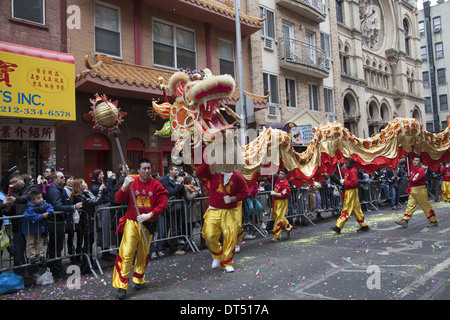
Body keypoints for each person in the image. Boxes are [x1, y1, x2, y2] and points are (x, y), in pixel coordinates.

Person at [113, 158, 169, 300]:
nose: (146, 171)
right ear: (138, 170)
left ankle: (139, 279)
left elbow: (163, 203)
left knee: (143, 254)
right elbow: (118, 199)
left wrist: (150, 214)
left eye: (148, 168)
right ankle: (122, 285)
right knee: (127, 253)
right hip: (132, 222)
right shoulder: (131, 181)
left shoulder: (156, 185)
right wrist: (124, 186)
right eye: (143, 168)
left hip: (147, 224)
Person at [197, 162, 249, 273]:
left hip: (230, 212)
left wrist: (233, 199)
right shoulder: (214, 172)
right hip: (214, 209)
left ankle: (227, 262)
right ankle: (217, 254)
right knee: (209, 235)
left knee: (230, 237)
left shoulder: (237, 176)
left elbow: (245, 193)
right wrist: (208, 160)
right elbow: (199, 173)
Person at [46, 171, 83, 279]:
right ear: (54, 180)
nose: (64, 179)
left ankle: (54, 267)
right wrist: (73, 207)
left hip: (58, 221)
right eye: (61, 177)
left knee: (55, 246)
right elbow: (58, 206)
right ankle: (57, 269)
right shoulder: (55, 191)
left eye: (63, 177)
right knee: (56, 246)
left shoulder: (58, 190)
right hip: (55, 222)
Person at [5, 172, 40, 283]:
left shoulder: (31, 187)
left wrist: (15, 200)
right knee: (18, 251)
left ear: (21, 179)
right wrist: (8, 209)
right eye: (11, 183)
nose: (14, 185)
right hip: (17, 226)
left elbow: (29, 198)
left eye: (15, 182)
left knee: (31, 250)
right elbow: (12, 211)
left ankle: (33, 271)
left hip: (30, 225)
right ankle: (19, 275)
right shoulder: (12, 192)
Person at [71, 178, 105, 273]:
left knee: (90, 242)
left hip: (90, 221)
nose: (86, 183)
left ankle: (89, 263)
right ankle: (86, 265)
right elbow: (94, 202)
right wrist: (100, 191)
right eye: (83, 182)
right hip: (86, 223)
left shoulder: (85, 193)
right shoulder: (80, 197)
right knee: (87, 244)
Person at [395, 156, 438, 228]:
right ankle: (405, 220)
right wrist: (406, 157)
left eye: (417, 160)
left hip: (420, 190)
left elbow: (414, 179)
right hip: (413, 190)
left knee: (425, 206)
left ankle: (433, 220)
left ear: (420, 163)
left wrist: (408, 176)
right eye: (414, 160)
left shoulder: (421, 170)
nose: (414, 161)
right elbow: (407, 165)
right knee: (410, 205)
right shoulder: (412, 168)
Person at [330, 158, 370, 235]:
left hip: (351, 191)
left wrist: (344, 182)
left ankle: (338, 226)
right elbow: (339, 173)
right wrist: (337, 165)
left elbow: (355, 183)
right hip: (349, 191)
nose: (345, 165)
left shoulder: (353, 171)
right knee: (356, 209)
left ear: (351, 164)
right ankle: (364, 225)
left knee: (346, 208)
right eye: (345, 163)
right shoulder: (347, 170)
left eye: (347, 163)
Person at [159, 165, 186, 255]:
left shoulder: (177, 179)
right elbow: (171, 193)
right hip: (169, 208)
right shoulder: (165, 180)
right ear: (170, 171)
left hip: (177, 208)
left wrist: (181, 184)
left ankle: (172, 246)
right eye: (175, 170)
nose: (177, 171)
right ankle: (169, 247)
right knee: (169, 228)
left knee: (176, 227)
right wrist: (178, 184)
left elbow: (182, 193)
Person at [22, 191, 54, 266]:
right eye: (38, 198)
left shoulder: (43, 204)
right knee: (30, 242)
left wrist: (48, 213)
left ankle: (41, 255)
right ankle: (31, 256)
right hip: (29, 228)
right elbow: (30, 216)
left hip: (38, 227)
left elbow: (50, 207)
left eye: (41, 197)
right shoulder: (29, 207)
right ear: (32, 201)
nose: (41, 200)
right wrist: (41, 216)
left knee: (39, 241)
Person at [91, 169, 116, 260]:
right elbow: (107, 190)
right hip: (102, 208)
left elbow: (110, 189)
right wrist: (109, 180)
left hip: (107, 206)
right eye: (100, 174)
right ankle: (104, 251)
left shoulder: (102, 184)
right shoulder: (95, 187)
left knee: (108, 229)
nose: (102, 176)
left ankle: (107, 250)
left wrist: (112, 180)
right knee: (104, 229)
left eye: (103, 174)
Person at [270, 168, 292, 242]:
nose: (280, 175)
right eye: (279, 173)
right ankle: (288, 227)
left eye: (282, 174)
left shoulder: (286, 184)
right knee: (276, 217)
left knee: (279, 217)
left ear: (285, 175)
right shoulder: (277, 180)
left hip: (282, 202)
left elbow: (284, 194)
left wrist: (275, 193)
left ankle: (276, 236)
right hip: (276, 201)